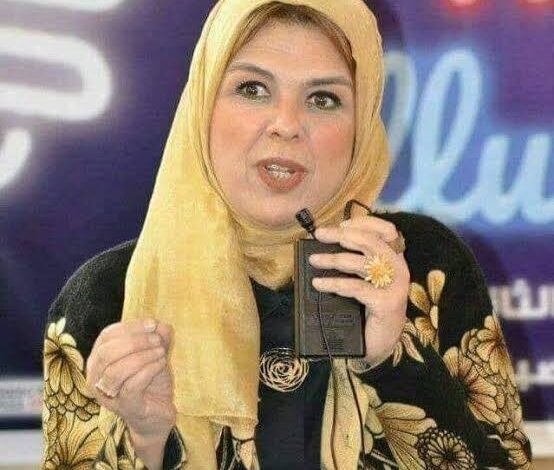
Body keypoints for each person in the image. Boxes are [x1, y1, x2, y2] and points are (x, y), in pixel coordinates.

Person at [41, 0, 533, 469]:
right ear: (203, 105)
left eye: (323, 99)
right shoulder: (106, 298)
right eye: (253, 89)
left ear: (361, 125)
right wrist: (144, 440)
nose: (286, 125)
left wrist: (390, 360)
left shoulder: (425, 269)